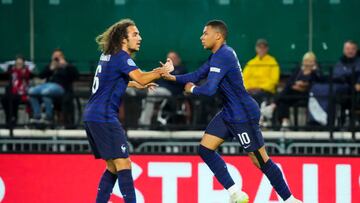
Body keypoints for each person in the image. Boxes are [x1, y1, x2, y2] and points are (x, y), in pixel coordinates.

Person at [161, 20, 301, 203]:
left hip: (243, 115)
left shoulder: (223, 55)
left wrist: (192, 89)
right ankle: (236, 193)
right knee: (205, 149)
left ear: (218, 35)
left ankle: (290, 200)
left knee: (261, 161)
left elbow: (209, 89)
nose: (201, 37)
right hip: (229, 112)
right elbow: (195, 75)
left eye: (205, 33)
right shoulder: (217, 55)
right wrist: (170, 76)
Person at [83, 19, 170, 203]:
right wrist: (163, 71)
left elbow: (111, 80)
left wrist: (133, 84)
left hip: (92, 115)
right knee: (124, 163)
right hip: (104, 116)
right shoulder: (122, 57)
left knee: (113, 167)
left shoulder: (109, 55)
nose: (140, 38)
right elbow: (141, 77)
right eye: (135, 34)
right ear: (123, 39)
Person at [261, 52, 321, 129]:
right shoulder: (299, 70)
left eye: (310, 61)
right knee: (283, 99)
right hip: (294, 92)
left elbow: (315, 84)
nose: (308, 63)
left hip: (306, 94)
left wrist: (303, 85)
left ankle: (272, 106)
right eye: (306, 60)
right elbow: (290, 81)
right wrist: (296, 84)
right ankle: (285, 121)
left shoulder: (315, 72)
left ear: (314, 62)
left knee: (284, 94)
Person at [28, 49, 79, 124]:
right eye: (54, 56)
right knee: (31, 92)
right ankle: (37, 115)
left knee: (45, 93)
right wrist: (50, 69)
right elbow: (41, 76)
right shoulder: (50, 66)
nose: (56, 58)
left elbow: (75, 76)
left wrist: (65, 65)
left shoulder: (67, 66)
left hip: (60, 88)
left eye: (58, 56)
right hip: (46, 86)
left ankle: (48, 116)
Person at [138, 51, 187, 127]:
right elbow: (156, 80)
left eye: (173, 58)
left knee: (151, 93)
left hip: (170, 92)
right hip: (157, 90)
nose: (170, 60)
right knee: (140, 89)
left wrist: (168, 72)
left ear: (178, 59)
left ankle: (144, 124)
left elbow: (177, 82)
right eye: (168, 58)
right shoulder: (163, 69)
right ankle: (142, 121)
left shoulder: (181, 69)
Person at [242, 38, 280, 105]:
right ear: (256, 49)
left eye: (264, 47)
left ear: (267, 49)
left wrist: (260, 88)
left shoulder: (273, 62)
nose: (262, 49)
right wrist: (249, 88)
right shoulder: (251, 63)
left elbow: (274, 80)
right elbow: (244, 78)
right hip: (250, 91)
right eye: (259, 47)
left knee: (257, 98)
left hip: (265, 91)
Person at [1, 55, 32, 127]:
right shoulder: (12, 71)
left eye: (20, 64)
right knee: (4, 99)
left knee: (13, 98)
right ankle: (8, 117)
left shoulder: (26, 71)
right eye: (17, 63)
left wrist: (18, 71)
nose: (18, 65)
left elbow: (26, 76)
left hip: (21, 94)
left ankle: (14, 117)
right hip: (12, 93)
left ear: (23, 64)